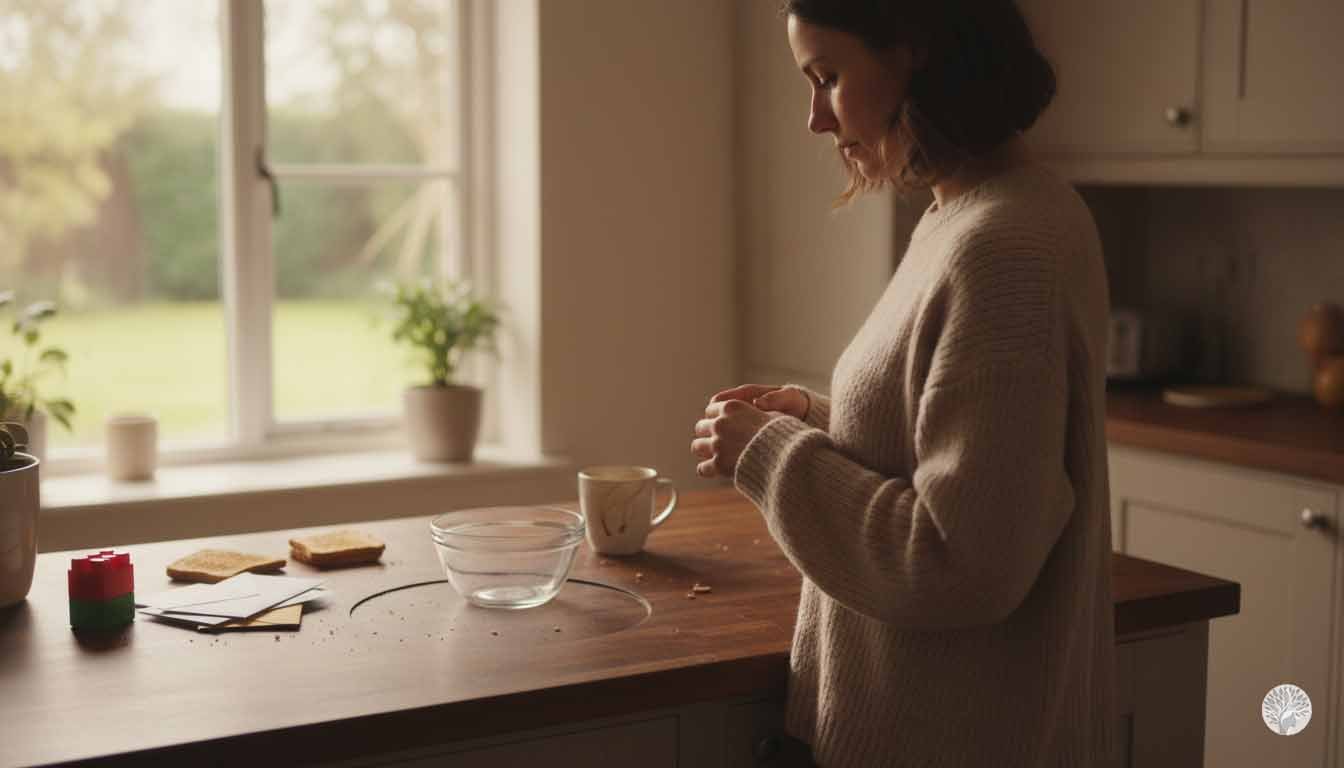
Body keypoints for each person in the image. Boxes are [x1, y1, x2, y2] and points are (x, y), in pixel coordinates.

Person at [690, 2, 1116, 766]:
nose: (816, 119)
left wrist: (774, 456)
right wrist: (815, 421)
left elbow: (961, 565)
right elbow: (953, 456)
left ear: (915, 51)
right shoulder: (965, 216)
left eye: (827, 77)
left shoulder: (1003, 245)